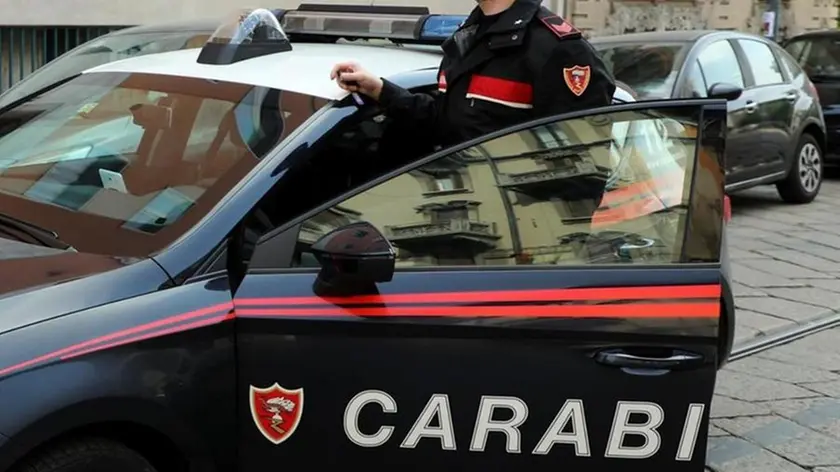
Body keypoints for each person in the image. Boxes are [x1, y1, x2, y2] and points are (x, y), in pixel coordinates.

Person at [330, 0, 616, 148]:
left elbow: (580, 166)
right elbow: (446, 122)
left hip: (518, 231)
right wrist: (379, 90)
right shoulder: (469, 36)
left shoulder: (560, 50)